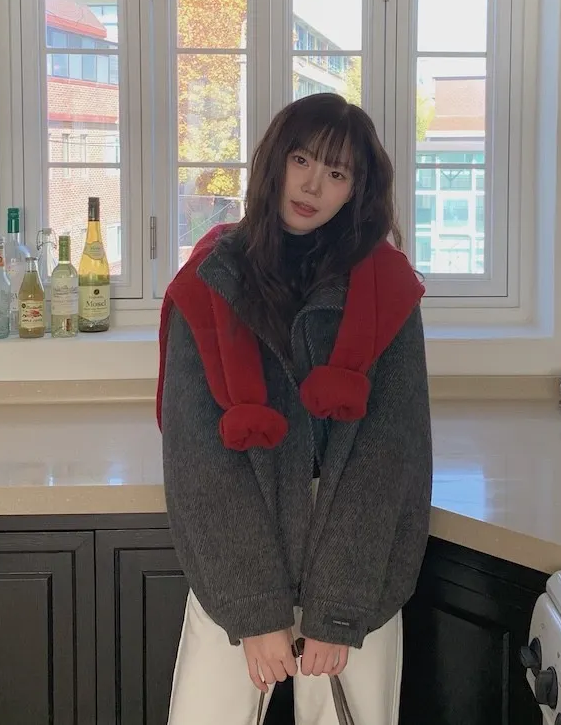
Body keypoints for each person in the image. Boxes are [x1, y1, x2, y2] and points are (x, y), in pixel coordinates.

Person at [158, 93, 432, 725]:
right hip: (238, 563)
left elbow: (389, 455)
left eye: (337, 173)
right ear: (274, 161)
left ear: (356, 191)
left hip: (357, 572)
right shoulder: (208, 282)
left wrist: (338, 610)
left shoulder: (388, 289)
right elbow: (199, 462)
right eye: (302, 160)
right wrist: (255, 610)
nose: (313, 186)